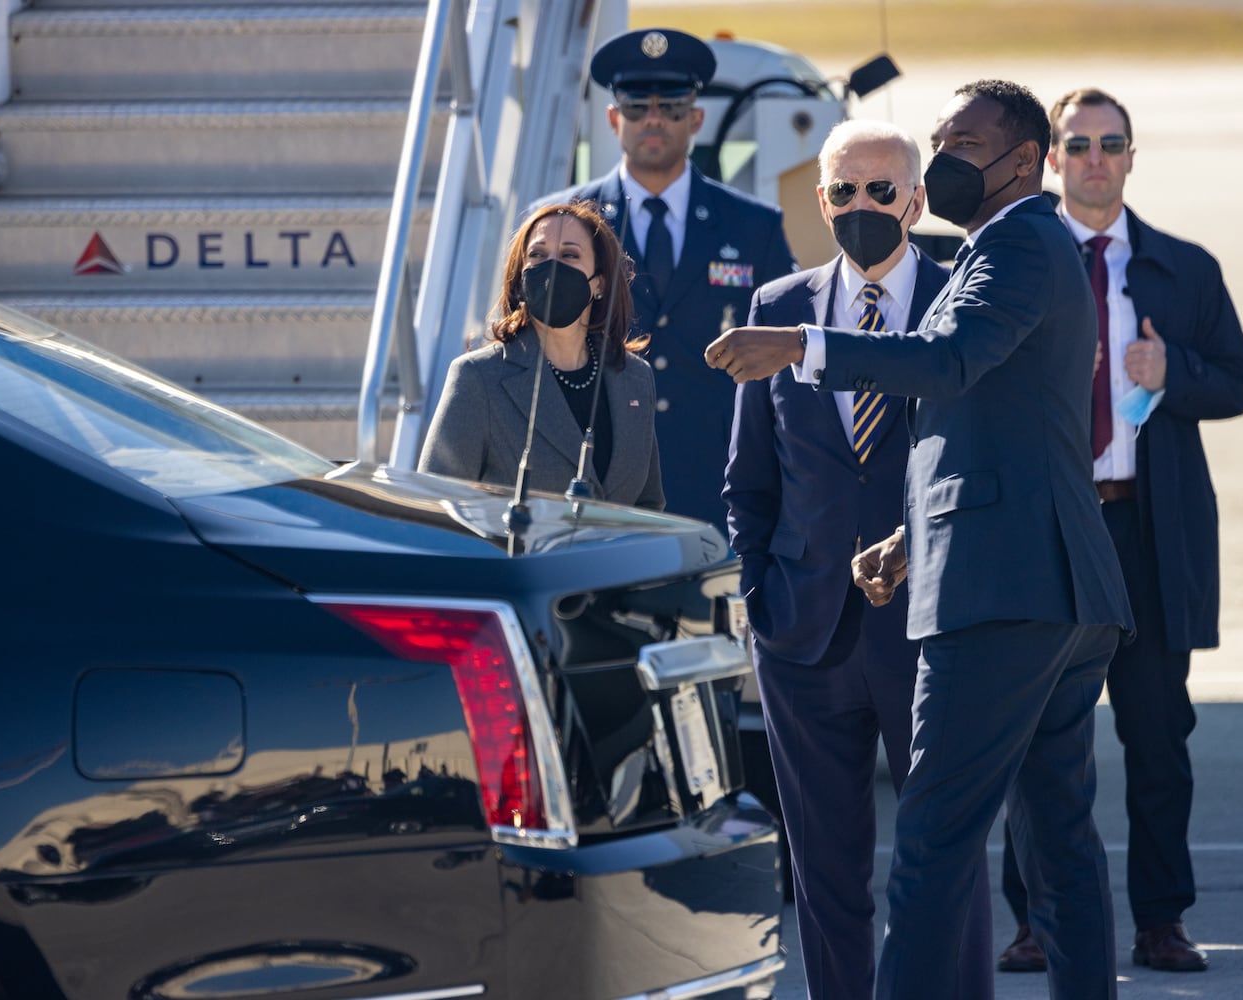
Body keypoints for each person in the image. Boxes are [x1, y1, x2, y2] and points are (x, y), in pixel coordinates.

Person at [705, 79, 1136, 999]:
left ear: (1023, 161)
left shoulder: (1015, 245)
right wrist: (910, 538)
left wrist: (800, 348)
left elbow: (944, 365)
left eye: (963, 144)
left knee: (934, 843)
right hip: (1040, 582)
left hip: (1000, 593)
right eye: (939, 138)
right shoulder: (1003, 249)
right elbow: (988, 419)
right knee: (1056, 842)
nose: (945, 159)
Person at [725, 118, 992, 999]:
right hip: (804, 637)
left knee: (941, 860)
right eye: (845, 190)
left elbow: (990, 463)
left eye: (883, 190)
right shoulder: (776, 308)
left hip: (931, 633)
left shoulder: (964, 301)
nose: (864, 205)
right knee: (825, 876)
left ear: (916, 198)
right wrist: (761, 596)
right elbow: (748, 482)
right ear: (820, 200)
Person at [995, 86, 1243, 977]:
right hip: (1047, 528)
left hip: (1145, 527)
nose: (1094, 159)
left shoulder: (1181, 268)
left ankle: (1160, 920)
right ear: (1051, 160)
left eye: (1111, 144)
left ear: (1131, 157)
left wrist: (1169, 368)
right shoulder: (1014, 264)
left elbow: (1237, 382)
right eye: (1077, 145)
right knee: (1034, 733)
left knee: (1156, 735)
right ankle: (1034, 920)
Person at [533, 27, 795, 527]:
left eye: (672, 106)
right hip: (593, 478)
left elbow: (785, 355)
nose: (654, 118)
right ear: (614, 119)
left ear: (695, 117)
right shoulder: (559, 223)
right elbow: (523, 349)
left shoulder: (755, 226)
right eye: (637, 106)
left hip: (721, 482)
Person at [418, 201, 663, 509]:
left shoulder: (634, 378)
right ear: (520, 279)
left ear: (599, 283)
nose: (552, 268)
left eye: (569, 255)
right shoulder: (478, 377)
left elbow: (649, 507)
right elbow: (435, 506)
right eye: (537, 255)